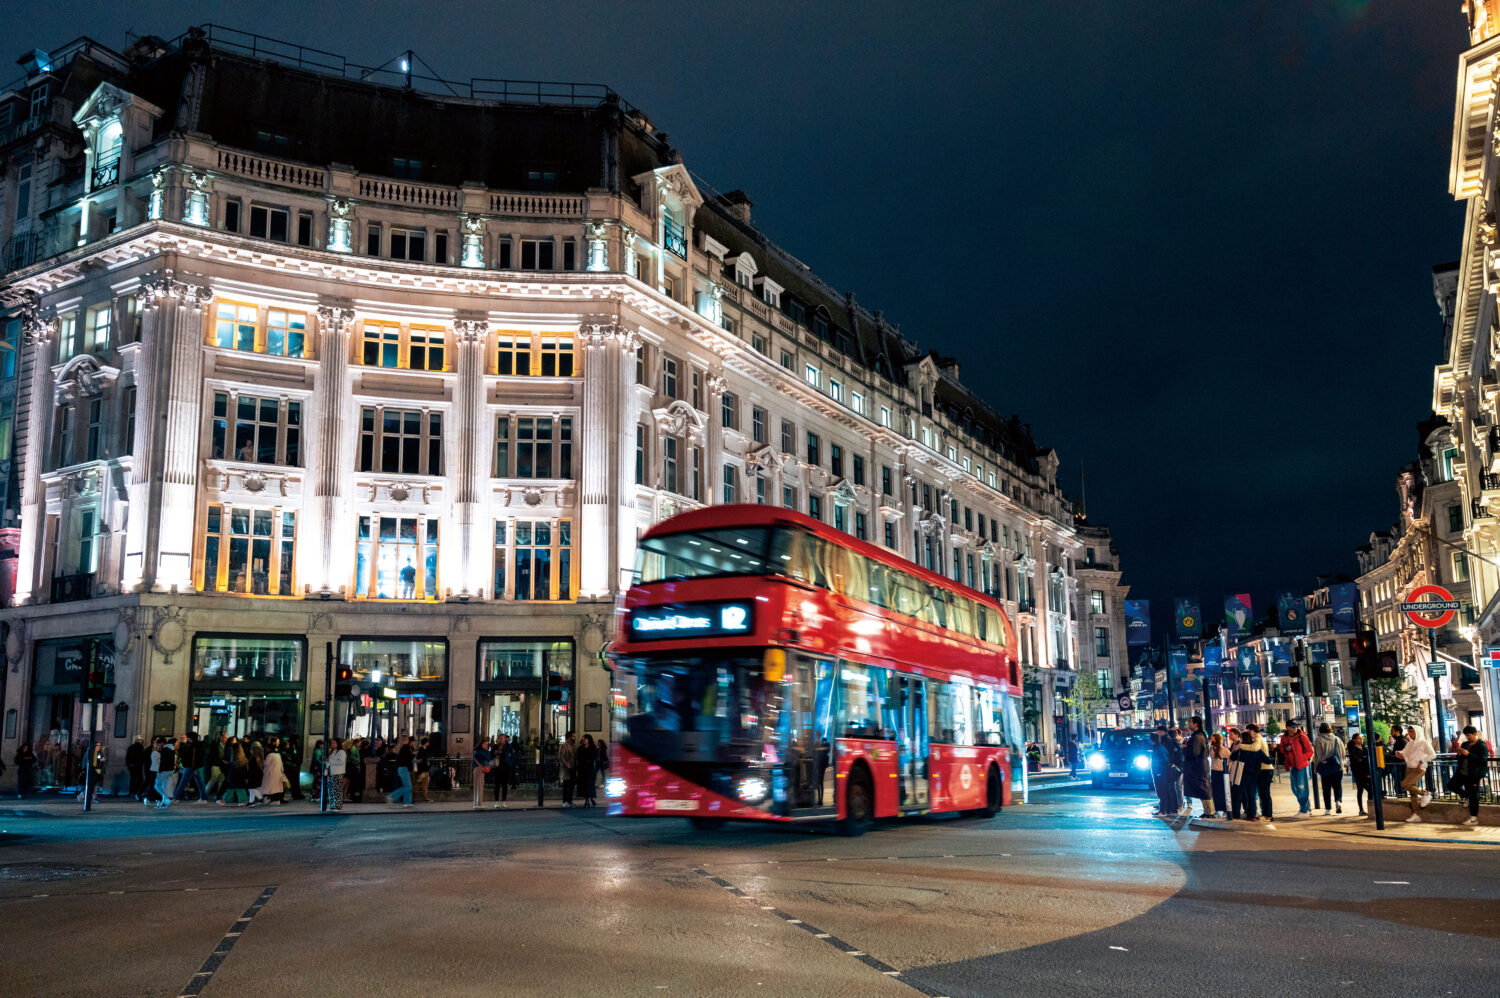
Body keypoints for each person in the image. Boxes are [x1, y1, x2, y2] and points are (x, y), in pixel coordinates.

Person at [1397, 725, 1435, 824]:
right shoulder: (1410, 743)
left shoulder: (1424, 742)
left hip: (1419, 769)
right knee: (1412, 793)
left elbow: (1433, 754)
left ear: (1417, 731)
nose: (1410, 734)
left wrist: (1422, 761)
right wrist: (1399, 753)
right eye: (1409, 732)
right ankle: (1416, 814)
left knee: (1405, 784)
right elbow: (1404, 752)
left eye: (1412, 732)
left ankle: (1426, 794)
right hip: (1409, 768)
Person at [1454, 725, 1490, 827]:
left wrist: (1468, 754)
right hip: (1463, 772)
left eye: (1469, 735)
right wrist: (1460, 754)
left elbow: (1483, 759)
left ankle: (1474, 817)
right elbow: (1459, 758)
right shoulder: (1465, 744)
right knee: (1451, 785)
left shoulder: (1481, 745)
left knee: (1473, 794)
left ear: (1475, 734)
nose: (1468, 737)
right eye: (1466, 735)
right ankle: (1466, 797)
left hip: (1474, 774)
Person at [1238, 724, 1273, 825]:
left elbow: (1255, 748)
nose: (1248, 733)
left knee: (1264, 793)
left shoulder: (1258, 738)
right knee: (1262, 793)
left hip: (1264, 769)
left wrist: (1240, 745)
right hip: (1263, 768)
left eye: (1248, 731)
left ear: (1252, 730)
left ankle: (1268, 814)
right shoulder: (1259, 738)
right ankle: (1266, 813)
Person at [1278, 720, 1314, 815]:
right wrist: (1286, 749)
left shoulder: (1302, 737)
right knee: (1295, 788)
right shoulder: (1284, 737)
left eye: (1296, 726)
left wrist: (1301, 758)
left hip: (1301, 765)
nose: (1296, 728)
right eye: (1293, 726)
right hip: (1292, 765)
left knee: (1302, 788)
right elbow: (1281, 749)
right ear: (1288, 727)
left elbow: (1310, 751)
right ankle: (1306, 808)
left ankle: (1304, 810)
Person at [1182, 717, 1213, 818]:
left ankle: (1209, 812)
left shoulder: (1197, 737)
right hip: (1199, 765)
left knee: (1203, 788)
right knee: (1203, 788)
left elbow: (1194, 752)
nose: (1189, 724)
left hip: (1198, 766)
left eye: (1190, 722)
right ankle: (1208, 811)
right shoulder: (1200, 736)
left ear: (1196, 724)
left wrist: (1185, 749)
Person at [1312, 723, 1346, 815]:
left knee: (1326, 788)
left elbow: (1318, 756)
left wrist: (1316, 767)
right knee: (1337, 785)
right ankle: (1338, 802)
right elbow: (1343, 754)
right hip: (1338, 767)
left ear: (1320, 730)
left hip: (1325, 768)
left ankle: (1328, 809)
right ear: (1330, 729)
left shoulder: (1318, 740)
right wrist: (1343, 765)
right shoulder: (1337, 739)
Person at [1347, 733, 1372, 815]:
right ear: (1354, 740)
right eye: (1359, 738)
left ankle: (1369, 808)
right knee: (1362, 790)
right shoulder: (1353, 749)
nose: (1361, 740)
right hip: (1359, 773)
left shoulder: (1364, 747)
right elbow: (1357, 760)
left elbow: (1367, 758)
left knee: (1368, 790)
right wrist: (1363, 758)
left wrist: (1363, 759)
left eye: (1361, 738)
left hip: (1366, 772)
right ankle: (1361, 809)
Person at [1209, 731, 1230, 818]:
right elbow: (1230, 760)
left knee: (1215, 792)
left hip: (1214, 772)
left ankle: (1217, 809)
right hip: (1222, 772)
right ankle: (1225, 810)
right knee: (1224, 792)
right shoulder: (1225, 750)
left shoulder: (1211, 750)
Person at [388, 736, 414, 806]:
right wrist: (414, 754)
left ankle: (407, 802)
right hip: (404, 768)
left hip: (402, 768)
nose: (408, 740)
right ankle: (392, 796)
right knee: (407, 786)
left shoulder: (402, 747)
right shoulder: (405, 747)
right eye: (408, 739)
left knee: (407, 786)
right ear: (405, 740)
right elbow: (408, 757)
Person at [153, 736, 178, 808]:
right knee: (165, 786)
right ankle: (165, 801)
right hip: (170, 770)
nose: (159, 745)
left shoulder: (165, 750)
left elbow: (163, 761)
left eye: (159, 744)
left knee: (157, 785)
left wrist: (160, 770)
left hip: (165, 770)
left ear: (162, 743)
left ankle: (166, 798)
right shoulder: (171, 749)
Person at [576, 735, 598, 808]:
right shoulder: (580, 748)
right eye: (583, 739)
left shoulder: (592, 748)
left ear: (589, 740)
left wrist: (588, 760)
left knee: (589, 783)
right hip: (582, 769)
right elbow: (578, 757)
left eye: (585, 739)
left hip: (589, 768)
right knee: (583, 784)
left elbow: (594, 757)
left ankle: (589, 798)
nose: (584, 740)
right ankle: (588, 798)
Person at [325, 738, 347, 811]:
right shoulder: (332, 752)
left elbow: (341, 762)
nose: (332, 744)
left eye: (334, 743)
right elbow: (330, 763)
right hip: (331, 773)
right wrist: (326, 762)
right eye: (331, 743)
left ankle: (338, 806)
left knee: (337, 790)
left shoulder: (341, 752)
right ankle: (332, 805)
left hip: (338, 773)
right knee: (331, 790)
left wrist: (330, 760)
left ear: (338, 743)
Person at [494, 735, 515, 807]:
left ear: (505, 739)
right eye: (499, 738)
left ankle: (504, 801)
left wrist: (510, 763)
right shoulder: (495, 746)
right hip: (497, 767)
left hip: (505, 767)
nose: (500, 740)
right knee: (497, 785)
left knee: (504, 785)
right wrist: (495, 753)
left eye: (501, 738)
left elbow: (513, 755)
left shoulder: (508, 746)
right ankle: (496, 801)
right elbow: (490, 755)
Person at [471, 738, 492, 810]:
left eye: (487, 744)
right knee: (479, 786)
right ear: (481, 744)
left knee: (477, 786)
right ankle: (479, 803)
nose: (486, 745)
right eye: (485, 744)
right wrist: (487, 751)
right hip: (480, 769)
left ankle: (476, 803)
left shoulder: (476, 751)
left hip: (477, 769)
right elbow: (488, 757)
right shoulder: (481, 752)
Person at [559, 731, 577, 807]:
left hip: (573, 767)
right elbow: (561, 756)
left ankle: (570, 800)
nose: (574, 738)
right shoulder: (564, 745)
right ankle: (565, 801)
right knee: (566, 785)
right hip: (567, 768)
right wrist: (567, 764)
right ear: (569, 737)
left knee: (572, 785)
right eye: (573, 736)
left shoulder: (573, 745)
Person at [124, 736, 145, 801]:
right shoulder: (141, 747)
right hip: (138, 766)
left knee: (132, 779)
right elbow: (142, 757)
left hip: (132, 766)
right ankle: (138, 792)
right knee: (139, 779)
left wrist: (128, 764)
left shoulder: (131, 747)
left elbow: (127, 757)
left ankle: (132, 792)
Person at [415, 737, 433, 804]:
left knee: (425, 785)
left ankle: (426, 798)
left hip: (426, 770)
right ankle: (411, 797)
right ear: (425, 742)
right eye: (428, 742)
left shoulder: (426, 750)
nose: (429, 743)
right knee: (417, 784)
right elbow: (420, 760)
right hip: (422, 770)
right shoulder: (421, 750)